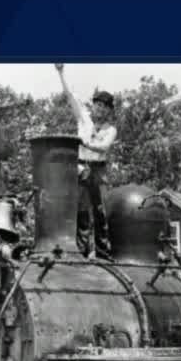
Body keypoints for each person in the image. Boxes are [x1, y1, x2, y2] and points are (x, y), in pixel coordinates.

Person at [55, 63, 117, 257]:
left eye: (103, 107)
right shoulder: (84, 118)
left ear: (108, 110)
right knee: (81, 211)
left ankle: (102, 252)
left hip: (98, 170)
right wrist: (61, 72)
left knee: (100, 211)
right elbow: (70, 95)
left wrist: (85, 143)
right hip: (81, 167)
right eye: (96, 105)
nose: (98, 109)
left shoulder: (111, 129)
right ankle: (81, 251)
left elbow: (104, 147)